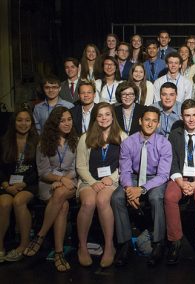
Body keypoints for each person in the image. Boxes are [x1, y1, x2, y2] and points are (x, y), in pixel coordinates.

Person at [112, 106, 172, 267]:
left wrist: (141, 189)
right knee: (116, 197)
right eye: (147, 120)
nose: (150, 124)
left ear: (158, 124)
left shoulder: (164, 143)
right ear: (140, 121)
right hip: (133, 176)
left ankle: (159, 243)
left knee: (156, 197)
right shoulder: (128, 142)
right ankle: (124, 244)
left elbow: (163, 175)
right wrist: (129, 189)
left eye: (154, 121)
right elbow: (124, 170)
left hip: (155, 179)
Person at [24, 107, 78, 272]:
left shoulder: (76, 140)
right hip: (48, 184)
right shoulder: (44, 142)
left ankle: (40, 236)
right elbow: (43, 172)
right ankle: (59, 253)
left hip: (70, 182)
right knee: (63, 206)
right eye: (62, 121)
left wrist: (63, 180)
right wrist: (59, 179)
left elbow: (76, 168)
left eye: (69, 119)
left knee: (61, 193)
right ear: (55, 123)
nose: (67, 123)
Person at [76, 102, 127, 268]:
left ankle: (109, 246)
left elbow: (125, 164)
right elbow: (81, 166)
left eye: (107, 114)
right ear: (94, 118)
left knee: (103, 201)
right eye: (99, 115)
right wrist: (93, 182)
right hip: (89, 181)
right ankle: (82, 246)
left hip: (111, 181)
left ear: (113, 116)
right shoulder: (85, 137)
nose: (104, 118)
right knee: (89, 202)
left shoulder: (122, 136)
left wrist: (111, 179)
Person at [164, 99, 195, 269]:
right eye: (187, 116)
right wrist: (181, 182)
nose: (191, 119)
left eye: (194, 115)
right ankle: (175, 242)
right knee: (170, 197)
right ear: (182, 117)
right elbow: (172, 162)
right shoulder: (175, 134)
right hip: (180, 177)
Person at [0, 108, 39, 262]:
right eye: (20, 120)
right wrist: (5, 184)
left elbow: (39, 169)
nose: (23, 124)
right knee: (4, 203)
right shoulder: (4, 142)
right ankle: (1, 246)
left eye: (27, 120)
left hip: (30, 183)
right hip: (7, 184)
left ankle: (23, 245)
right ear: (13, 122)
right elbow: (0, 168)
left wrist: (24, 183)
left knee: (18, 201)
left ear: (32, 123)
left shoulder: (38, 141)